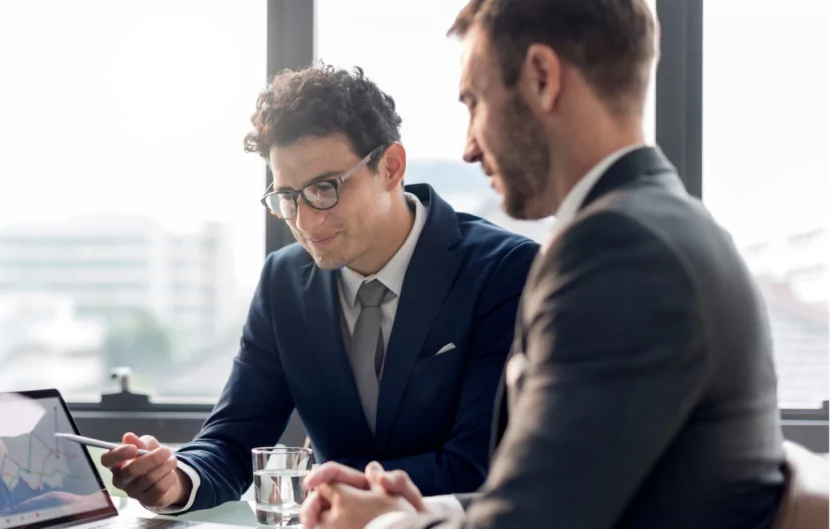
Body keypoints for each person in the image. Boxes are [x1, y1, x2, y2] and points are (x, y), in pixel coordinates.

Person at [300, 1, 787, 528]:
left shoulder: (619, 252)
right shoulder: (665, 227)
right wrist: (414, 510)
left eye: (474, 103)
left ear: (541, 77)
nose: (468, 148)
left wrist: (377, 526)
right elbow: (561, 489)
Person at [100, 65, 539, 514]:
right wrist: (175, 480)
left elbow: (480, 466)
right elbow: (233, 439)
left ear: (390, 167)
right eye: (288, 196)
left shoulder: (504, 271)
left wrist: (349, 494)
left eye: (325, 189)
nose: (307, 223)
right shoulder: (283, 281)